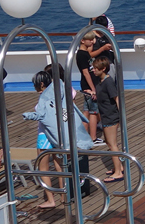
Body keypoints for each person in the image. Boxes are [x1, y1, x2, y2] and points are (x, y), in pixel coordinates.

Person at [22, 70, 93, 210]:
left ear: (41, 84)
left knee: (43, 168)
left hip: (44, 136)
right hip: (59, 136)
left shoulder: (44, 99)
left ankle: (50, 200)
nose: (34, 87)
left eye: (35, 84)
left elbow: (41, 116)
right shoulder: (60, 93)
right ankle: (64, 195)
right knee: (60, 166)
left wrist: (28, 115)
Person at [92, 55, 125, 183]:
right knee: (108, 142)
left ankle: (118, 173)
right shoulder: (100, 81)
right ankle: (118, 166)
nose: (93, 70)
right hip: (105, 115)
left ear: (103, 69)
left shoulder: (108, 82)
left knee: (112, 144)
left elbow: (116, 98)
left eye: (96, 68)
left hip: (110, 116)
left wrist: (121, 115)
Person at [75, 34, 102, 144]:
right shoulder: (82, 55)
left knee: (86, 112)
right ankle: (93, 137)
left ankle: (84, 136)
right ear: (82, 40)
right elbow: (86, 73)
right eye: (89, 40)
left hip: (87, 86)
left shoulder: (85, 53)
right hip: (88, 87)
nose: (92, 42)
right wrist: (93, 89)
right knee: (93, 112)